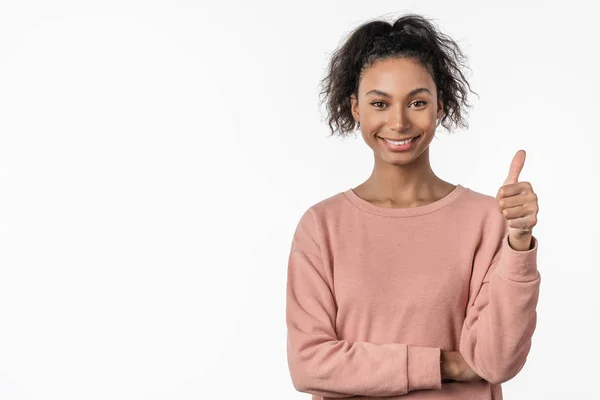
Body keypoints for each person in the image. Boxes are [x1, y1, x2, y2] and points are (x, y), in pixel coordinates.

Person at [285, 13, 540, 400]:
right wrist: (442, 364)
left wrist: (519, 242)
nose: (399, 121)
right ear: (356, 109)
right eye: (380, 103)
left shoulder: (488, 220)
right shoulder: (322, 226)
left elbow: (497, 361)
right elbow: (309, 365)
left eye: (417, 102)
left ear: (440, 106)